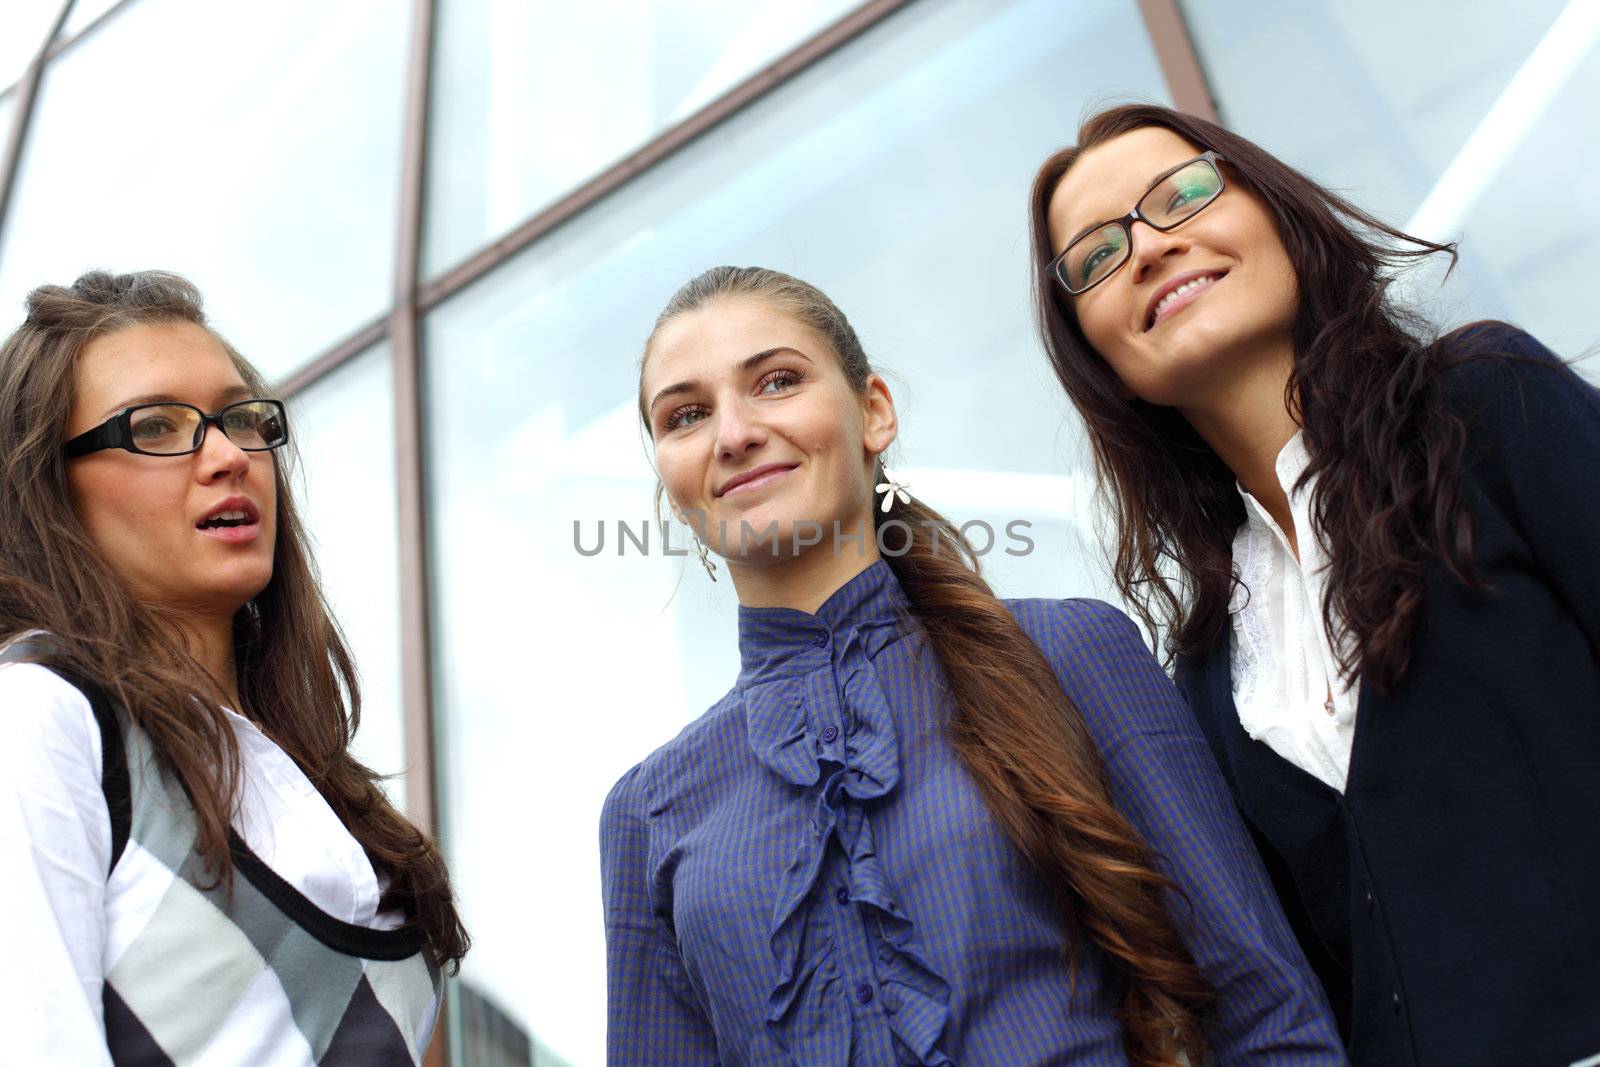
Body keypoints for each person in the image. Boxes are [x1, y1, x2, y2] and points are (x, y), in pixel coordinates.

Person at [600, 265, 1342, 1065]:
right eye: (686, 415)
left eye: (777, 380)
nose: (733, 432)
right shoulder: (646, 815)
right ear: (672, 488)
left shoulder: (1068, 654)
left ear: (873, 412)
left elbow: (1270, 1020)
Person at [1028, 103, 1600, 1065]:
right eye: (1095, 256)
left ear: (1275, 216)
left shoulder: (1485, 407)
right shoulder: (1208, 676)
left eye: (1182, 196)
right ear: (1102, 358)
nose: (1149, 249)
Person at [0, 270, 468, 1065]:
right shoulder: (40, 717)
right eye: (155, 427)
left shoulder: (331, 793)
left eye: (241, 418)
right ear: (49, 488)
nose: (227, 454)